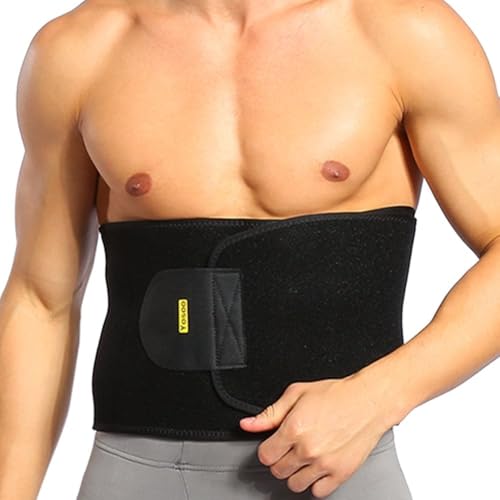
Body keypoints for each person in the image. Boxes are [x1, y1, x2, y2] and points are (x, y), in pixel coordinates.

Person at [1, 0, 499, 499]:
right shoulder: (80, 49)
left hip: (340, 473)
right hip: (138, 472)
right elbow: (40, 300)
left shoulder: (406, 32)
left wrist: (379, 396)